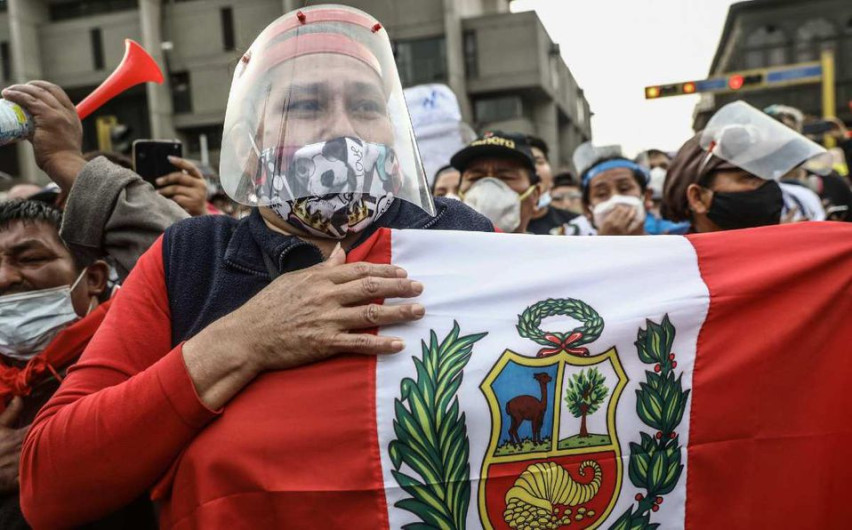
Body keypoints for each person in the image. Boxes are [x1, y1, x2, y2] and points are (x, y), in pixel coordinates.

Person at [17, 6, 492, 528]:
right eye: (306, 105)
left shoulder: (454, 234)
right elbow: (51, 485)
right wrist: (247, 338)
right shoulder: (190, 257)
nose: (342, 129)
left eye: (365, 106)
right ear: (249, 147)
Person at [0, 200, 156, 529]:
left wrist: (61, 456)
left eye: (29, 259)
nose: (4, 278)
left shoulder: (140, 366)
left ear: (94, 279)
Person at [662, 101, 831, 233]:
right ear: (697, 198)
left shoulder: (790, 259)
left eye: (769, 174)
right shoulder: (672, 267)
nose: (768, 186)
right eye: (750, 176)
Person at [452, 131, 541, 233]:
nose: (488, 189)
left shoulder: (553, 248)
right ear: (458, 193)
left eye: (505, 177)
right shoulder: (439, 248)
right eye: (475, 177)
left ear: (535, 195)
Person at [573, 143, 651, 236]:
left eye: (624, 189)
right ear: (588, 209)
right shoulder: (568, 243)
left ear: (646, 197)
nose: (615, 200)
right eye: (601, 194)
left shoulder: (669, 238)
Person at [524, 136, 582, 235]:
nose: (533, 169)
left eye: (539, 161)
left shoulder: (577, 224)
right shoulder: (493, 225)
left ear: (551, 179)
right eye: (525, 163)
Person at [636, 149, 690, 235]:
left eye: (663, 166)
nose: (657, 172)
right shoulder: (633, 213)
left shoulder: (687, 209)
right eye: (651, 167)